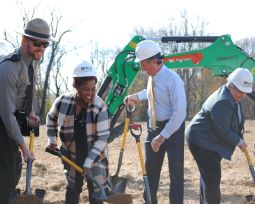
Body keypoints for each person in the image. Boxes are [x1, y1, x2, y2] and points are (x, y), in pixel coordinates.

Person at [125, 40, 187, 204]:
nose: (142, 69)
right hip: (154, 126)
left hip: (173, 129)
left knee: (176, 174)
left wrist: (163, 136)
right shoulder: (153, 76)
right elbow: (151, 92)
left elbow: (180, 113)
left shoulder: (173, 80)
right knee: (150, 172)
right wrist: (136, 97)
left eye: (144, 64)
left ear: (154, 61)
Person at [0, 18, 53, 203]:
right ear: (24, 41)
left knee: (14, 168)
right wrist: (24, 147)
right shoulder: (8, 68)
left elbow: (25, 93)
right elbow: (6, 114)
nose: (41, 48)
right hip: (3, 120)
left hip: (10, 120)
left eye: (45, 44)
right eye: (37, 43)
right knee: (6, 172)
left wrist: (29, 112)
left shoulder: (32, 62)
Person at [46, 61, 112, 204]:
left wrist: (88, 162)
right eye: (85, 89)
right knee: (72, 190)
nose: (90, 93)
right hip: (72, 157)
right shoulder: (63, 101)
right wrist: (52, 140)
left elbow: (102, 139)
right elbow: (51, 117)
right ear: (76, 86)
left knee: (96, 192)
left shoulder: (100, 107)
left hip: (95, 158)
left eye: (93, 89)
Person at [185, 68, 253, 204]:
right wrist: (238, 141)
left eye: (245, 92)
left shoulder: (233, 97)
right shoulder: (223, 101)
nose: (243, 95)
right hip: (201, 141)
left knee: (209, 177)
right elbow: (222, 130)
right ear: (231, 86)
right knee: (212, 179)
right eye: (240, 91)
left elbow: (234, 121)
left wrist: (239, 136)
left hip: (207, 139)